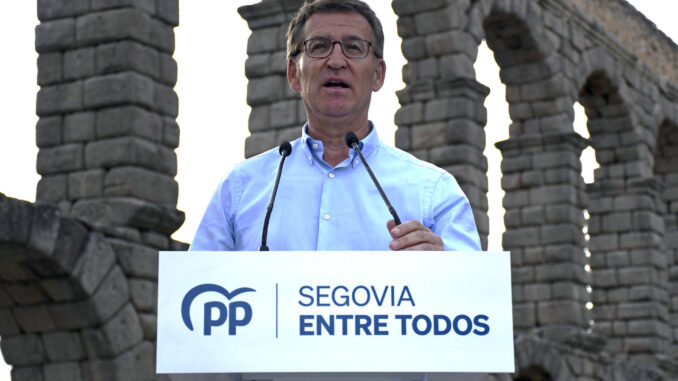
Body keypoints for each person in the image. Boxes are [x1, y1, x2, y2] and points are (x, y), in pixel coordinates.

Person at [190, 0, 480, 252]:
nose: (336, 61)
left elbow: (474, 297)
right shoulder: (239, 189)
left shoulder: (434, 190)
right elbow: (195, 292)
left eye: (354, 47)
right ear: (293, 74)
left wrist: (445, 269)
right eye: (319, 47)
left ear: (378, 75)